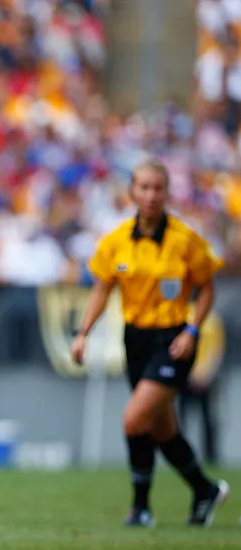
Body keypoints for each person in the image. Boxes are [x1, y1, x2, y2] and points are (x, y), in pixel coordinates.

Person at [72, 160, 228, 527]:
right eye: (144, 187)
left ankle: (140, 508)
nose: (151, 195)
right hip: (136, 340)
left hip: (173, 339)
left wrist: (192, 331)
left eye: (158, 188)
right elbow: (101, 289)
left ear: (168, 192)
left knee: (134, 419)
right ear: (132, 192)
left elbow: (206, 288)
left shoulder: (185, 240)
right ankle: (205, 490)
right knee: (162, 430)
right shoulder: (116, 242)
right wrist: (82, 333)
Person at [178, 306, 225, 466]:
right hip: (195, 376)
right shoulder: (208, 318)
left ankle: (208, 456)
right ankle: (188, 456)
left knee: (205, 418)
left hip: (200, 377)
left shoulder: (208, 319)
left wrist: (203, 373)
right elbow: (217, 350)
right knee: (186, 418)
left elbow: (216, 350)